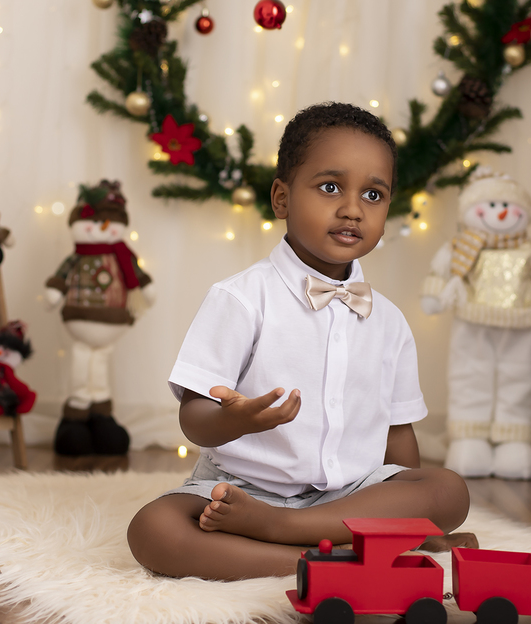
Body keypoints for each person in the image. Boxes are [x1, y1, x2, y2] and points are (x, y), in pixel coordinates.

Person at [127, 102, 475, 581]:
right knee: (154, 530)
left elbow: (397, 432)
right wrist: (235, 419)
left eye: (373, 194)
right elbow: (194, 420)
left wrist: (406, 511)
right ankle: (315, 561)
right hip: (242, 492)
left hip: (349, 497)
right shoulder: (240, 299)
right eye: (330, 187)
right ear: (282, 198)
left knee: (449, 490)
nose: (352, 208)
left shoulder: (389, 322)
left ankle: (287, 529)